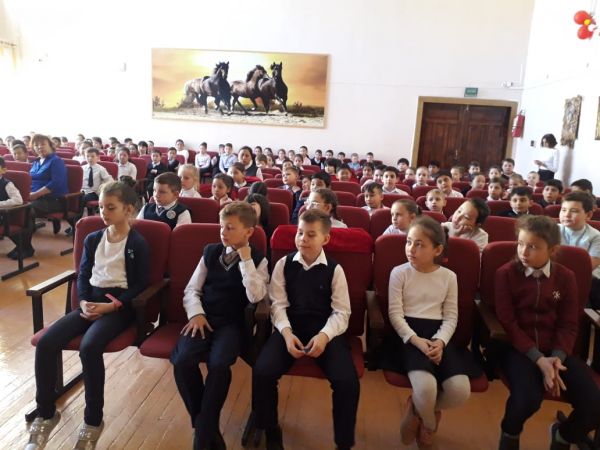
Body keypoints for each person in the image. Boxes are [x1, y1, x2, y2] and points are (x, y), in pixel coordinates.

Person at [26, 181, 149, 449]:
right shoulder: (93, 239)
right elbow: (83, 275)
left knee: (90, 347)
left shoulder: (137, 243)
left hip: (118, 307)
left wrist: (113, 306)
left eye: (111, 207)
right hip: (90, 302)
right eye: (102, 207)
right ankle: (45, 413)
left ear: (129, 210)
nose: (104, 212)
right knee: (46, 343)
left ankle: (93, 420)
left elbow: (141, 284)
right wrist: (82, 302)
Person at [253, 209, 359, 450]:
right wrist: (286, 334)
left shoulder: (335, 269)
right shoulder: (284, 264)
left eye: (311, 235)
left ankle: (343, 442)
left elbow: (342, 312)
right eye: (300, 233)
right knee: (263, 372)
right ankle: (270, 429)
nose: (303, 239)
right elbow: (278, 304)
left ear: (325, 239)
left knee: (347, 381)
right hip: (290, 328)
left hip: (325, 331)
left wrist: (324, 336)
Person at [494, 215, 600, 450]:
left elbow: (568, 323)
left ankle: (563, 435)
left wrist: (556, 359)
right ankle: (509, 434)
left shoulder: (565, 277)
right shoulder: (506, 273)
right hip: (518, 350)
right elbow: (508, 322)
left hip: (557, 352)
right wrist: (539, 360)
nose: (524, 252)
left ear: (552, 250)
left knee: (594, 406)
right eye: (521, 244)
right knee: (527, 399)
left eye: (533, 247)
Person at [171, 202, 268, 450]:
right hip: (204, 317)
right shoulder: (211, 252)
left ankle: (202, 436)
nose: (223, 232)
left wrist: (246, 260)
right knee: (182, 360)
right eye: (221, 226)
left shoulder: (258, 259)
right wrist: (196, 314)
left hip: (232, 323)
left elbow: (256, 296)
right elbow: (192, 289)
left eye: (230, 228)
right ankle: (207, 428)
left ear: (249, 231)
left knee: (219, 363)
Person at [389, 216, 470, 448]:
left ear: (437, 250)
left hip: (439, 336)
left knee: (460, 391)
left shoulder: (449, 277)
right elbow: (395, 314)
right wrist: (416, 341)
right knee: (426, 388)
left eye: (419, 244)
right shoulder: (399, 272)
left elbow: (451, 316)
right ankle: (429, 424)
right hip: (409, 336)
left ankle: (417, 409)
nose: (411, 249)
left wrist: (440, 342)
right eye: (408, 242)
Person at [558, 191, 600, 308]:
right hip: (558, 275)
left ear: (588, 215)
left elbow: (588, 267)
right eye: (563, 210)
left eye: (574, 211)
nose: (566, 215)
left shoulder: (596, 236)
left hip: (589, 278)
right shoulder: (552, 230)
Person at [25, 134, 68, 247]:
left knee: (25, 210)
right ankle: (21, 244)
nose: (39, 147)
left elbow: (56, 183)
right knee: (15, 207)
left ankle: (26, 247)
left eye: (43, 144)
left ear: (50, 145)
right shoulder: (36, 162)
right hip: (36, 198)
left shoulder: (56, 161)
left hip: (53, 200)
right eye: (36, 145)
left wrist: (35, 194)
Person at [82, 148, 113, 213]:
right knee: (76, 198)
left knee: (82, 199)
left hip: (94, 192)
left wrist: (103, 189)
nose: (90, 158)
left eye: (92, 156)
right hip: (82, 191)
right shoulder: (82, 168)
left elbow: (110, 181)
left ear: (98, 157)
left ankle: (78, 215)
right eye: (87, 156)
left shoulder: (101, 169)